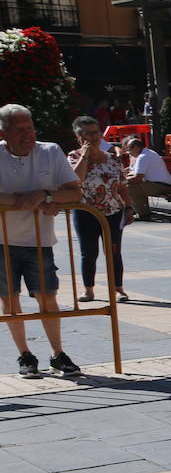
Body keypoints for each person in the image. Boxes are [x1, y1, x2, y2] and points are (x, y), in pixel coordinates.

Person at [0, 104, 83, 378]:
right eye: (19, 129)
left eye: (30, 128)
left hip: (39, 240)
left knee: (47, 296)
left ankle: (57, 353)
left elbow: (74, 193)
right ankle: (25, 354)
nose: (27, 135)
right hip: (2, 242)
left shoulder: (49, 151)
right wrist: (23, 200)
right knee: (9, 301)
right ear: (4, 132)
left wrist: (46, 195)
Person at [67, 116, 132, 304]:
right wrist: (86, 156)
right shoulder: (73, 157)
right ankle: (88, 289)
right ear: (79, 137)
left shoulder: (112, 159)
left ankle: (118, 288)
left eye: (96, 132)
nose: (95, 137)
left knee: (113, 251)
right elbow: (75, 180)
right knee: (89, 252)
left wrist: (128, 207)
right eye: (89, 133)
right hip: (85, 213)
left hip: (113, 212)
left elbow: (122, 186)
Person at [122, 136, 171, 219]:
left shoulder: (143, 157)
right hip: (162, 184)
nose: (129, 153)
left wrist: (121, 181)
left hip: (161, 186)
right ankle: (139, 210)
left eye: (130, 150)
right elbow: (136, 174)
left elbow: (137, 178)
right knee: (131, 185)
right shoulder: (147, 153)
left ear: (136, 148)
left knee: (130, 187)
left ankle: (144, 213)